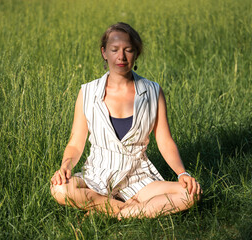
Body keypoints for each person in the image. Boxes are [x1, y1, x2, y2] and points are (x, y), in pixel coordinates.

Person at [50, 22, 202, 219]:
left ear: (136, 54)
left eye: (128, 50)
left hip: (138, 178)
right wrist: (65, 167)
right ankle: (134, 210)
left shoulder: (153, 92)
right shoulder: (87, 92)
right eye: (114, 50)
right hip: (97, 176)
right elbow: (75, 143)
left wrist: (182, 173)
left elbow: (165, 141)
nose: (121, 57)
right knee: (60, 190)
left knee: (191, 193)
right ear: (104, 52)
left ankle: (113, 212)